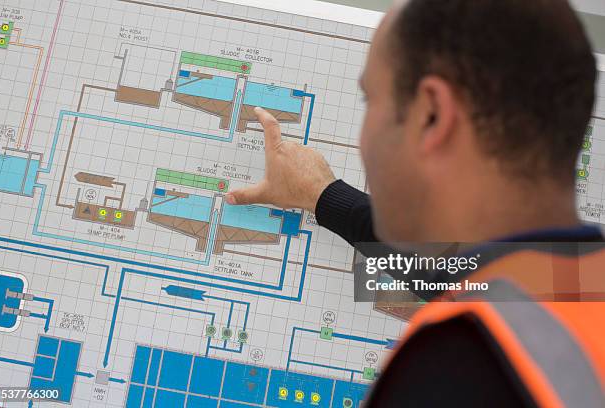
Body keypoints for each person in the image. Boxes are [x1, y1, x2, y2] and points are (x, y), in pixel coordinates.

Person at [226, 0, 604, 406]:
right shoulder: (580, 284)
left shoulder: (460, 363)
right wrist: (323, 196)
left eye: (371, 101)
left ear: (432, 115)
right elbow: (454, 272)